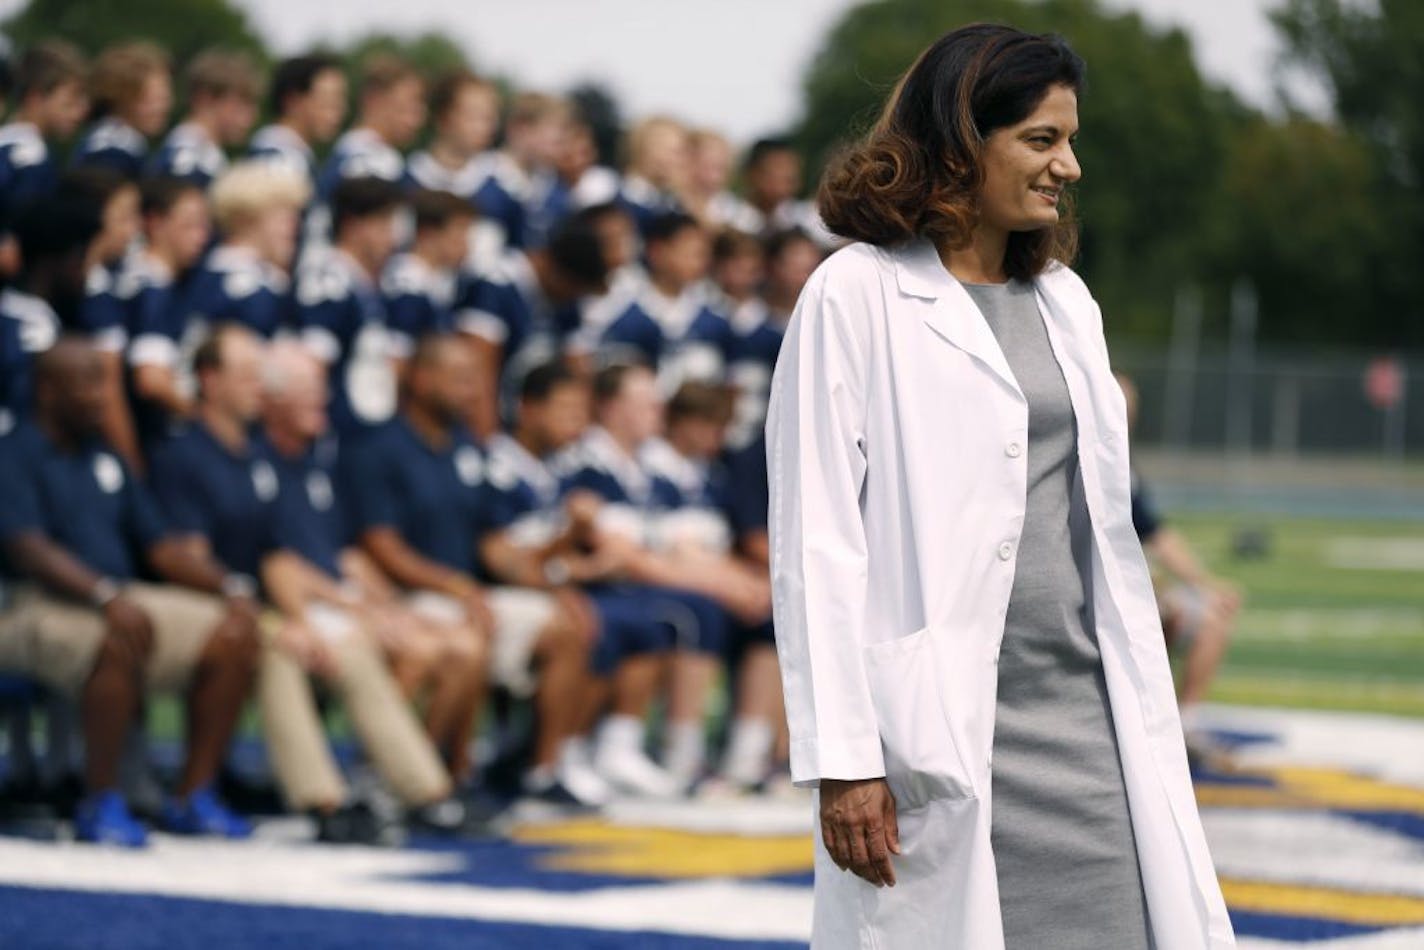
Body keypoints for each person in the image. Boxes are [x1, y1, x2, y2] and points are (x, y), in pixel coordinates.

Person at [767, 24, 1233, 949]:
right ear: (958, 141)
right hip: (938, 730)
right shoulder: (852, 295)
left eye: (1069, 139)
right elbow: (816, 541)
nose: (1070, 165)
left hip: (1088, 720)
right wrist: (844, 758)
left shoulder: (1067, 298)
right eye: (1041, 140)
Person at [0, 338, 258, 846]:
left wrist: (230, 586)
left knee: (234, 632)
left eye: (103, 382)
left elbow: (160, 547)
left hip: (116, 594)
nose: (101, 397)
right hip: (29, 603)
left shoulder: (106, 455)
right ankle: (102, 798)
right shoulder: (14, 453)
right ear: (48, 391)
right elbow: (28, 549)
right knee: (113, 636)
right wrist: (103, 597)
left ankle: (194, 794)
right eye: (87, 384)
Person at [346, 334, 587, 791]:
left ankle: (543, 771)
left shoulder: (466, 448)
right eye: (458, 379)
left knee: (564, 628)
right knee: (469, 638)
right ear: (419, 378)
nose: (472, 391)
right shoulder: (379, 448)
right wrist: (458, 588)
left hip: (467, 590)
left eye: (475, 380)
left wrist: (549, 584)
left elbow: (490, 543)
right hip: (407, 593)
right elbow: (382, 547)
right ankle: (431, 777)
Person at [1116, 373, 1242, 753]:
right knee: (1183, 618)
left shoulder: (1122, 463)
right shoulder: (1086, 460)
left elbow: (1154, 533)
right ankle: (1144, 727)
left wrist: (1205, 584)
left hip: (1127, 588)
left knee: (1209, 617)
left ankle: (1179, 727)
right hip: (1097, 596)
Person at [456, 207, 608, 436]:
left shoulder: (568, 303)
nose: (575, 298)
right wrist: (487, 442)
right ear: (558, 273)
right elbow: (478, 374)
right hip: (493, 421)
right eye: (575, 289)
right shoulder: (496, 285)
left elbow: (579, 371)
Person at [293, 176, 403, 439]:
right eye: (383, 224)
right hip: (339, 437)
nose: (392, 238)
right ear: (353, 226)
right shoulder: (330, 281)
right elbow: (312, 364)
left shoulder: (362, 282)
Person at [576, 211, 734, 394]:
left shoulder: (717, 312)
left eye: (703, 253)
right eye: (690, 252)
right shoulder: (615, 302)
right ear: (657, 251)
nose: (700, 262)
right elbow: (582, 359)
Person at [0, 191, 99, 437]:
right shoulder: (36, 331)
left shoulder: (10, 312)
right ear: (59, 263)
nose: (87, 274)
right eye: (82, 260)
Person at [124, 177, 212, 448]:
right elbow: (151, 379)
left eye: (203, 225)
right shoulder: (151, 286)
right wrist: (207, 425)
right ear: (155, 223)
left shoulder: (170, 282)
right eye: (189, 224)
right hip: (155, 437)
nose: (201, 236)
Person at [185, 161, 308, 339]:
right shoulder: (256, 292)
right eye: (283, 216)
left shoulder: (204, 273)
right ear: (245, 219)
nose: (294, 227)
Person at [382, 188, 476, 368]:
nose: (467, 244)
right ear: (429, 234)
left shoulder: (434, 283)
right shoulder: (408, 291)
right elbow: (397, 362)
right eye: (460, 233)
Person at [0, 41, 89, 221]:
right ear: (35, 98)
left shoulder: (7, 142)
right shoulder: (33, 160)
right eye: (70, 102)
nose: (80, 112)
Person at [148, 49, 261, 187]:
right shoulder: (187, 161)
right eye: (242, 102)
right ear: (205, 98)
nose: (252, 114)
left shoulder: (210, 158)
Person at [73, 42, 172, 179]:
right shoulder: (111, 154)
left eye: (165, 98)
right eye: (154, 99)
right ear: (123, 98)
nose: (163, 107)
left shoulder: (128, 145)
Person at [249, 54, 348, 188]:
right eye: (328, 101)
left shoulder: (298, 157)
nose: (340, 111)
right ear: (293, 101)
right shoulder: (281, 162)